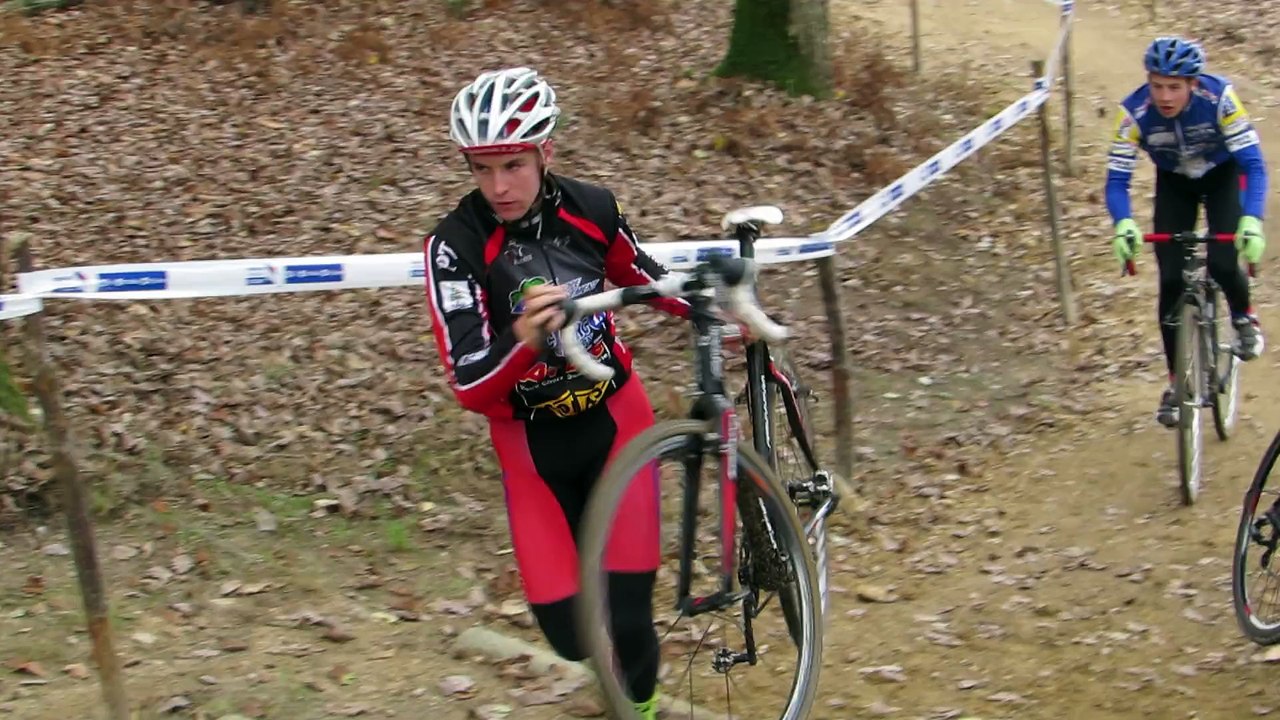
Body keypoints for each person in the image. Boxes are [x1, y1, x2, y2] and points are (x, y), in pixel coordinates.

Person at [422, 66, 690, 719]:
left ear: (546, 151)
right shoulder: (454, 246)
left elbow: (647, 281)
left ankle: (640, 711)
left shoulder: (592, 209)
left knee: (629, 620)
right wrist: (522, 339)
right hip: (533, 451)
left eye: (513, 164)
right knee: (571, 637)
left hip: (616, 424)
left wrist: (716, 315)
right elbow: (467, 383)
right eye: (481, 169)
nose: (498, 186)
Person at [1106, 36, 1268, 427]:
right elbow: (1116, 181)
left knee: (1224, 262)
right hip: (1174, 182)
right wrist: (1123, 222)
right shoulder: (1133, 113)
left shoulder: (1221, 100)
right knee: (1173, 282)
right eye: (1157, 85)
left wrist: (1252, 219)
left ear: (1194, 84)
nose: (1164, 96)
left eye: (1174, 87)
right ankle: (1177, 384)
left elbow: (1255, 167)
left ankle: (1244, 317)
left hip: (1222, 176)